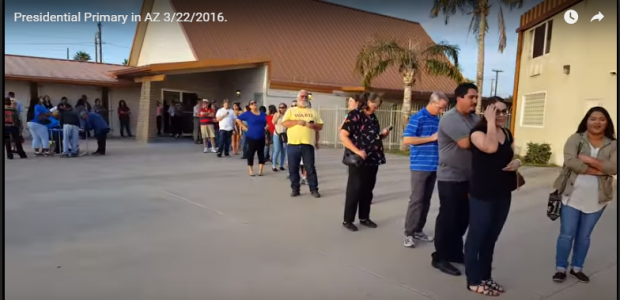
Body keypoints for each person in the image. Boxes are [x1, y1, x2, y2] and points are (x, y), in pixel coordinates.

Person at [552, 106, 617, 284]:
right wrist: (599, 170)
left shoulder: (613, 144)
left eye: (601, 119)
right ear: (586, 121)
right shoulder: (576, 139)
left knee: (584, 236)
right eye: (593, 118)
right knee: (567, 234)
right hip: (571, 195)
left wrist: (588, 159)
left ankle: (577, 268)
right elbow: (570, 161)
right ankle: (560, 268)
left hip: (598, 199)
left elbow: (614, 168)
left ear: (607, 122)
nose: (597, 122)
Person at [465, 97, 521, 296]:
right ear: (487, 112)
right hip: (483, 193)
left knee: (491, 238)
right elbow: (490, 148)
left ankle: (486, 276)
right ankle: (473, 280)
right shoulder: (477, 133)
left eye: (504, 111)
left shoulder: (506, 132)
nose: (502, 115)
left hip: (503, 192)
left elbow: (511, 155)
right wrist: (489, 122)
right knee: (476, 238)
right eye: (496, 111)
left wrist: (517, 163)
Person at [432, 82, 480, 276]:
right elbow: (467, 143)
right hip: (450, 178)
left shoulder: (474, 118)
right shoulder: (451, 119)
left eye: (476, 97)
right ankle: (440, 257)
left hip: (469, 179)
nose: (475, 101)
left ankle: (453, 252)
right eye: (471, 97)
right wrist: (487, 133)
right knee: (448, 219)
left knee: (464, 219)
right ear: (459, 98)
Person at [402, 92, 449, 247]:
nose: (442, 111)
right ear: (433, 103)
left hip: (434, 166)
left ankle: (418, 229)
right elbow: (407, 139)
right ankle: (408, 233)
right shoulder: (418, 118)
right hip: (419, 166)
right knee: (416, 200)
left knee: (426, 200)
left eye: (444, 108)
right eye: (441, 107)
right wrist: (431, 138)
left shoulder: (437, 119)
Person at [340, 92, 390, 231]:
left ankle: (364, 217)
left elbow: (371, 137)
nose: (377, 107)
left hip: (372, 159)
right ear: (368, 102)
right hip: (359, 159)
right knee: (354, 189)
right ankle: (348, 220)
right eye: (376, 104)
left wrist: (382, 136)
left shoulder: (373, 117)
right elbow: (343, 135)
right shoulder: (355, 115)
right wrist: (357, 151)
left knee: (368, 190)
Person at [282, 90, 324, 198]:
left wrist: (313, 126)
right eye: (302, 96)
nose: (304, 98)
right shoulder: (291, 111)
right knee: (293, 168)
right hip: (293, 144)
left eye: (306, 97)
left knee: (310, 168)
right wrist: (296, 122)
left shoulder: (313, 112)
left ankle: (314, 189)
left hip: (307, 144)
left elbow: (320, 126)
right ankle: (295, 189)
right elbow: (284, 123)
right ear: (298, 98)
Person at [236, 100, 267, 176]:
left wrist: (267, 127)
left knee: (261, 154)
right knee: (251, 154)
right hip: (251, 136)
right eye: (252, 104)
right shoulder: (247, 114)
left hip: (261, 136)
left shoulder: (262, 114)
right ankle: (251, 170)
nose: (254, 105)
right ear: (249, 106)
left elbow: (268, 122)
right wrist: (244, 127)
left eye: (255, 103)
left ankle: (260, 170)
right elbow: (238, 119)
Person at [271, 103, 288, 171]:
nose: (281, 109)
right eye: (280, 107)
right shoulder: (276, 114)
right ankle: (274, 165)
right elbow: (273, 122)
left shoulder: (287, 115)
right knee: (277, 150)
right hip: (277, 134)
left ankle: (281, 165)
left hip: (284, 134)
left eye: (282, 107)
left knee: (283, 150)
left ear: (285, 108)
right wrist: (278, 116)